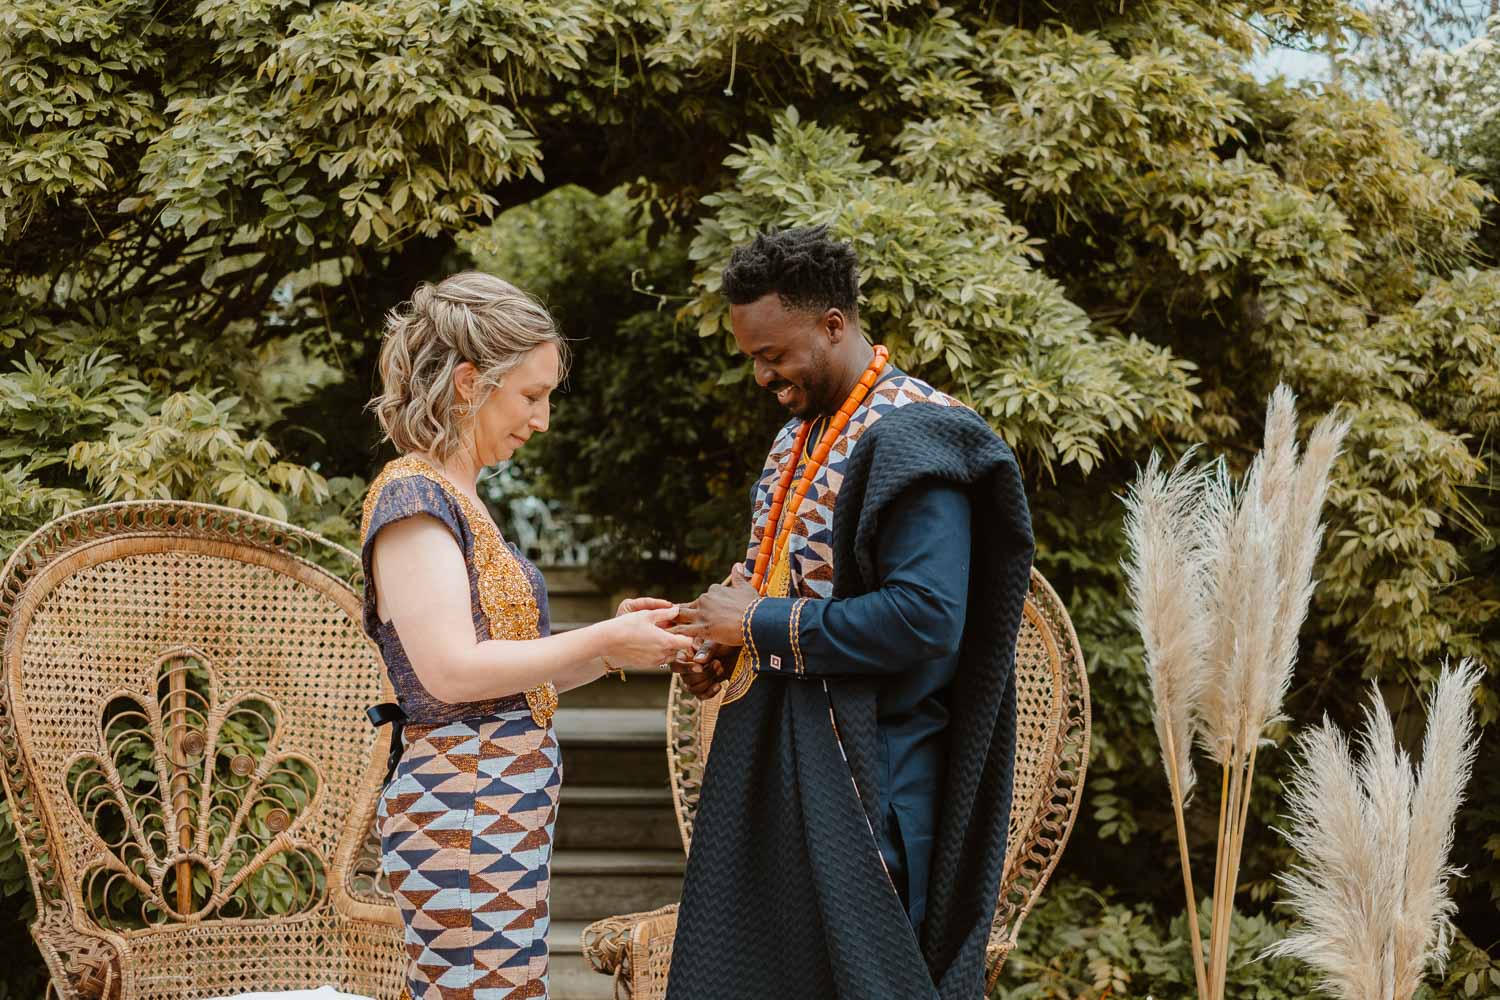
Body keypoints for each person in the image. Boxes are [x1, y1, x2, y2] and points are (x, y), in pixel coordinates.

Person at [666, 227, 1035, 999]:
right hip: (780, 767)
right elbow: (781, 583)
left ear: (835, 324)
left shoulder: (917, 435)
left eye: (776, 354)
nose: (764, 375)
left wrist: (758, 625)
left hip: (872, 782)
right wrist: (721, 648)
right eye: (753, 359)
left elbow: (926, 618)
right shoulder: (800, 434)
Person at [359, 271, 693, 1000]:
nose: (541, 420)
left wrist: (613, 646)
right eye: (531, 396)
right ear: (469, 383)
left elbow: (510, 675)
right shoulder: (412, 500)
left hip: (493, 803)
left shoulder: (455, 497)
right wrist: (603, 636)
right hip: (462, 805)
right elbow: (451, 673)